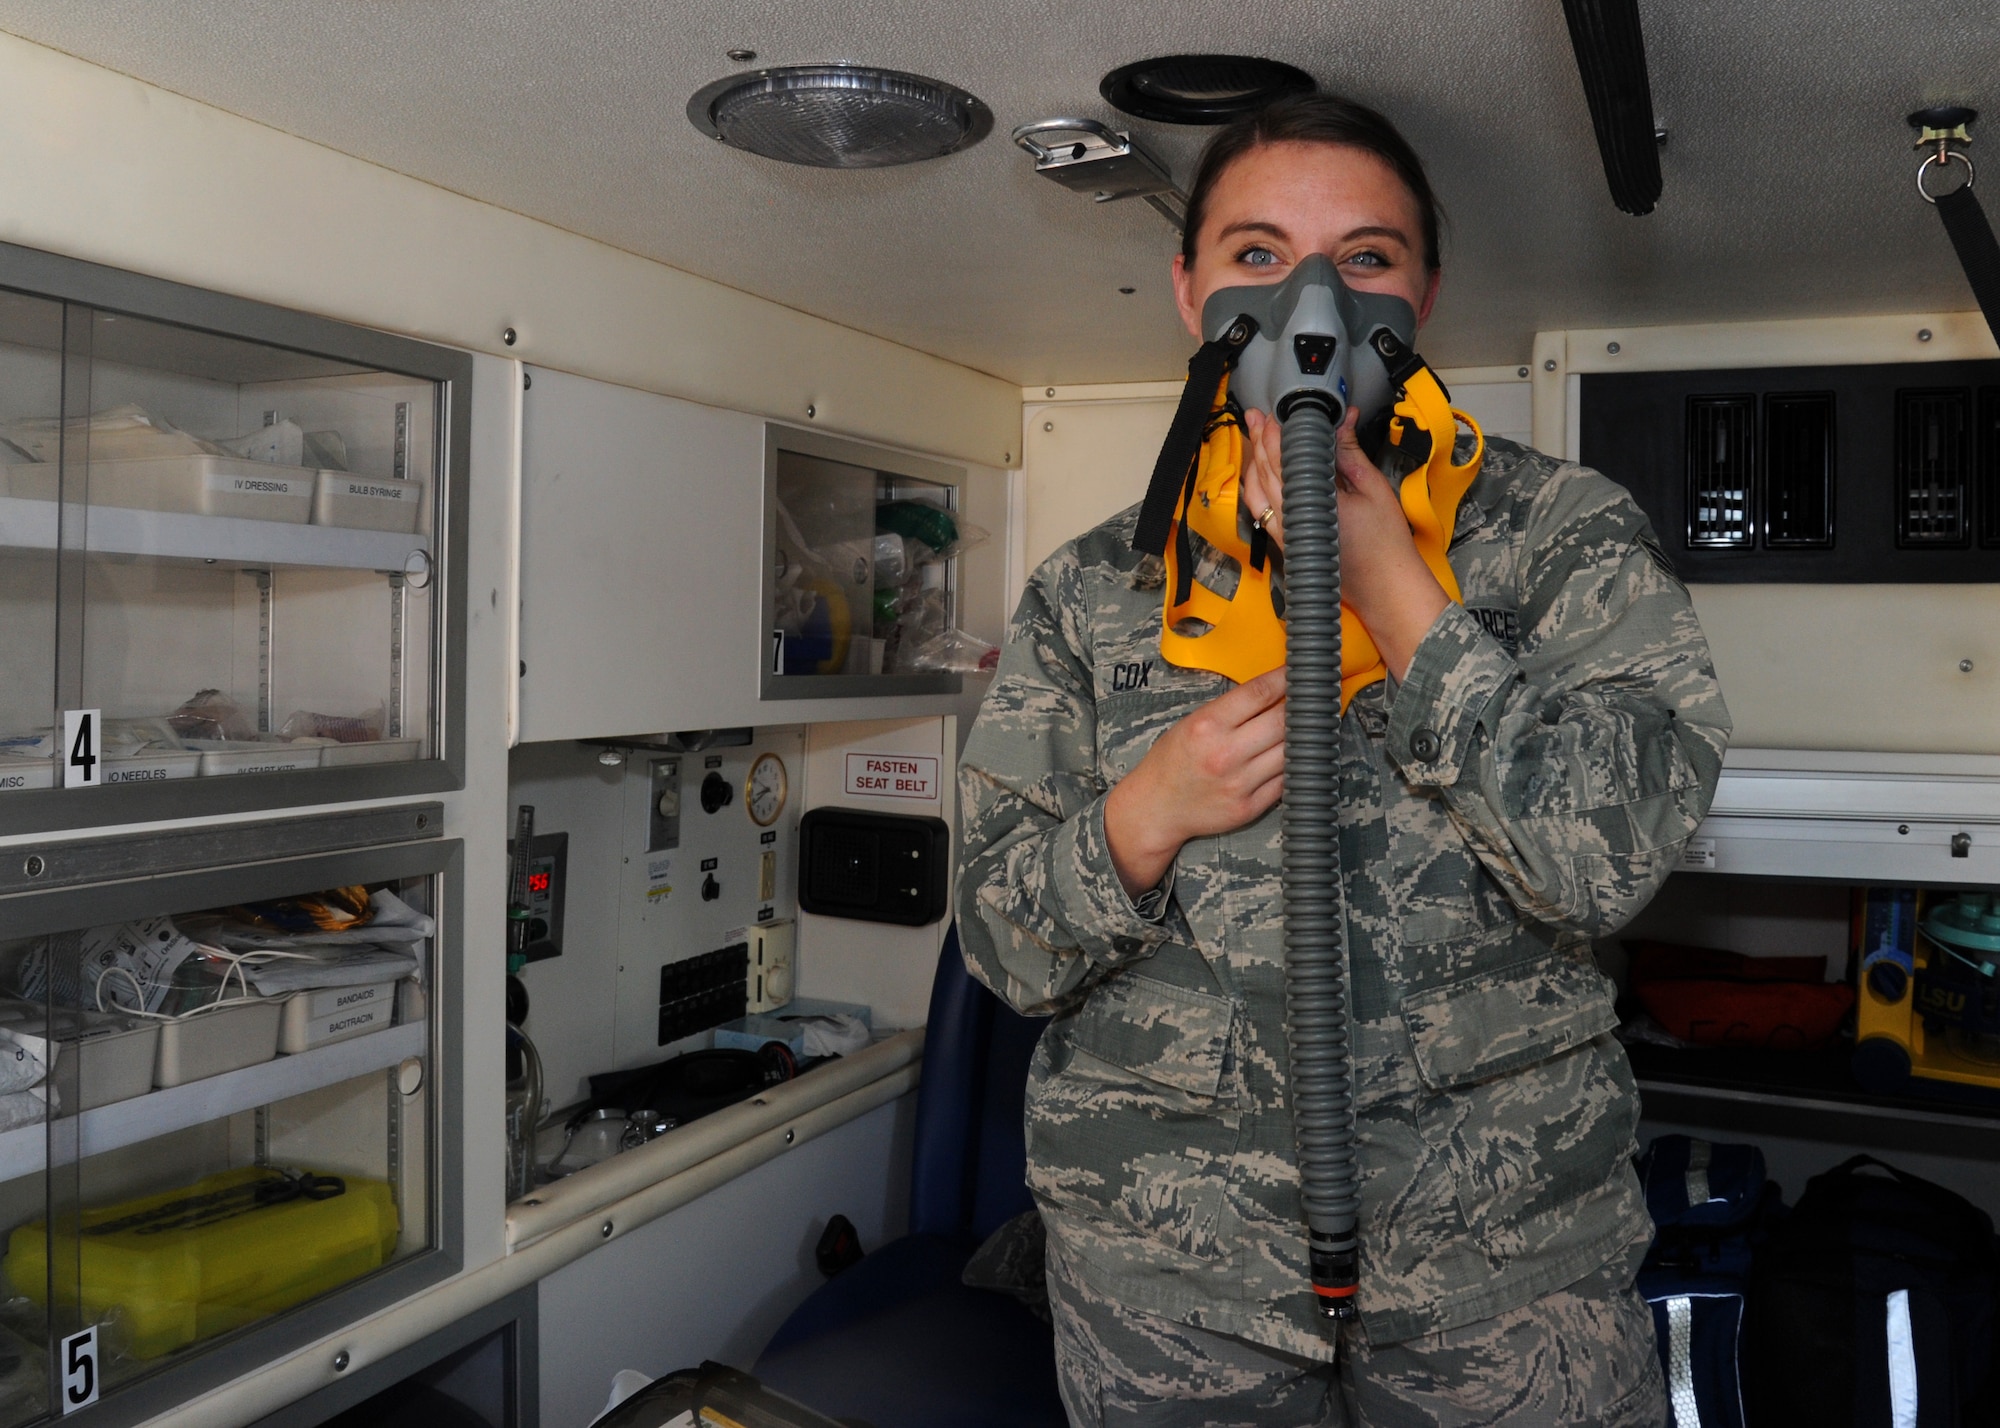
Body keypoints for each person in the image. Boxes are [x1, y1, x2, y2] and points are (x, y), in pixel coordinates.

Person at [955, 93, 1730, 1427]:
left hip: (1504, 1271)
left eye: (1364, 259)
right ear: (1189, 287)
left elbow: (1607, 863)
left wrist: (1406, 605)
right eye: (1258, 255)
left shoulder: (1561, 540)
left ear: (1423, 291)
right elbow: (1003, 947)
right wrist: (1146, 814)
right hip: (1169, 1278)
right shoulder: (1093, 591)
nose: (1312, 296)